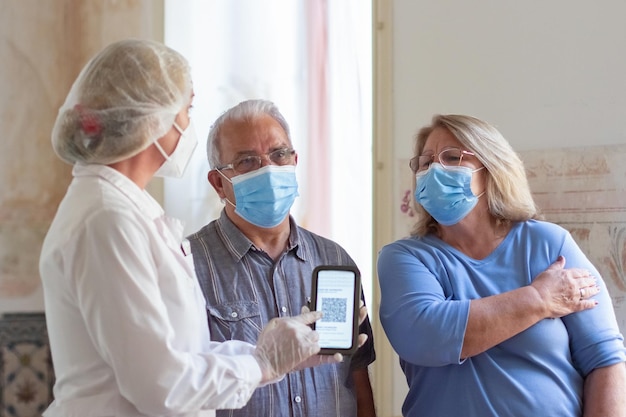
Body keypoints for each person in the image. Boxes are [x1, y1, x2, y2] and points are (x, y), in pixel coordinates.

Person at [39, 39, 339, 417]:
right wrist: (262, 363)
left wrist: (267, 356)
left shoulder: (129, 210)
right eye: (186, 109)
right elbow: (161, 386)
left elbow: (182, 354)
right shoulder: (106, 218)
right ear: (151, 117)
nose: (187, 125)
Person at [377, 114, 626, 417]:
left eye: (453, 157)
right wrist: (538, 299)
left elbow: (604, 357)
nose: (434, 170)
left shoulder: (549, 244)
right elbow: (425, 335)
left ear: (491, 169)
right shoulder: (405, 257)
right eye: (426, 162)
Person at [186, 99, 377, 417]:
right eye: (247, 161)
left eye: (278, 154)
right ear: (219, 183)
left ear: (294, 160)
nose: (269, 169)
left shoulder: (334, 258)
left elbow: (356, 376)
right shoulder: (187, 264)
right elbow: (177, 381)